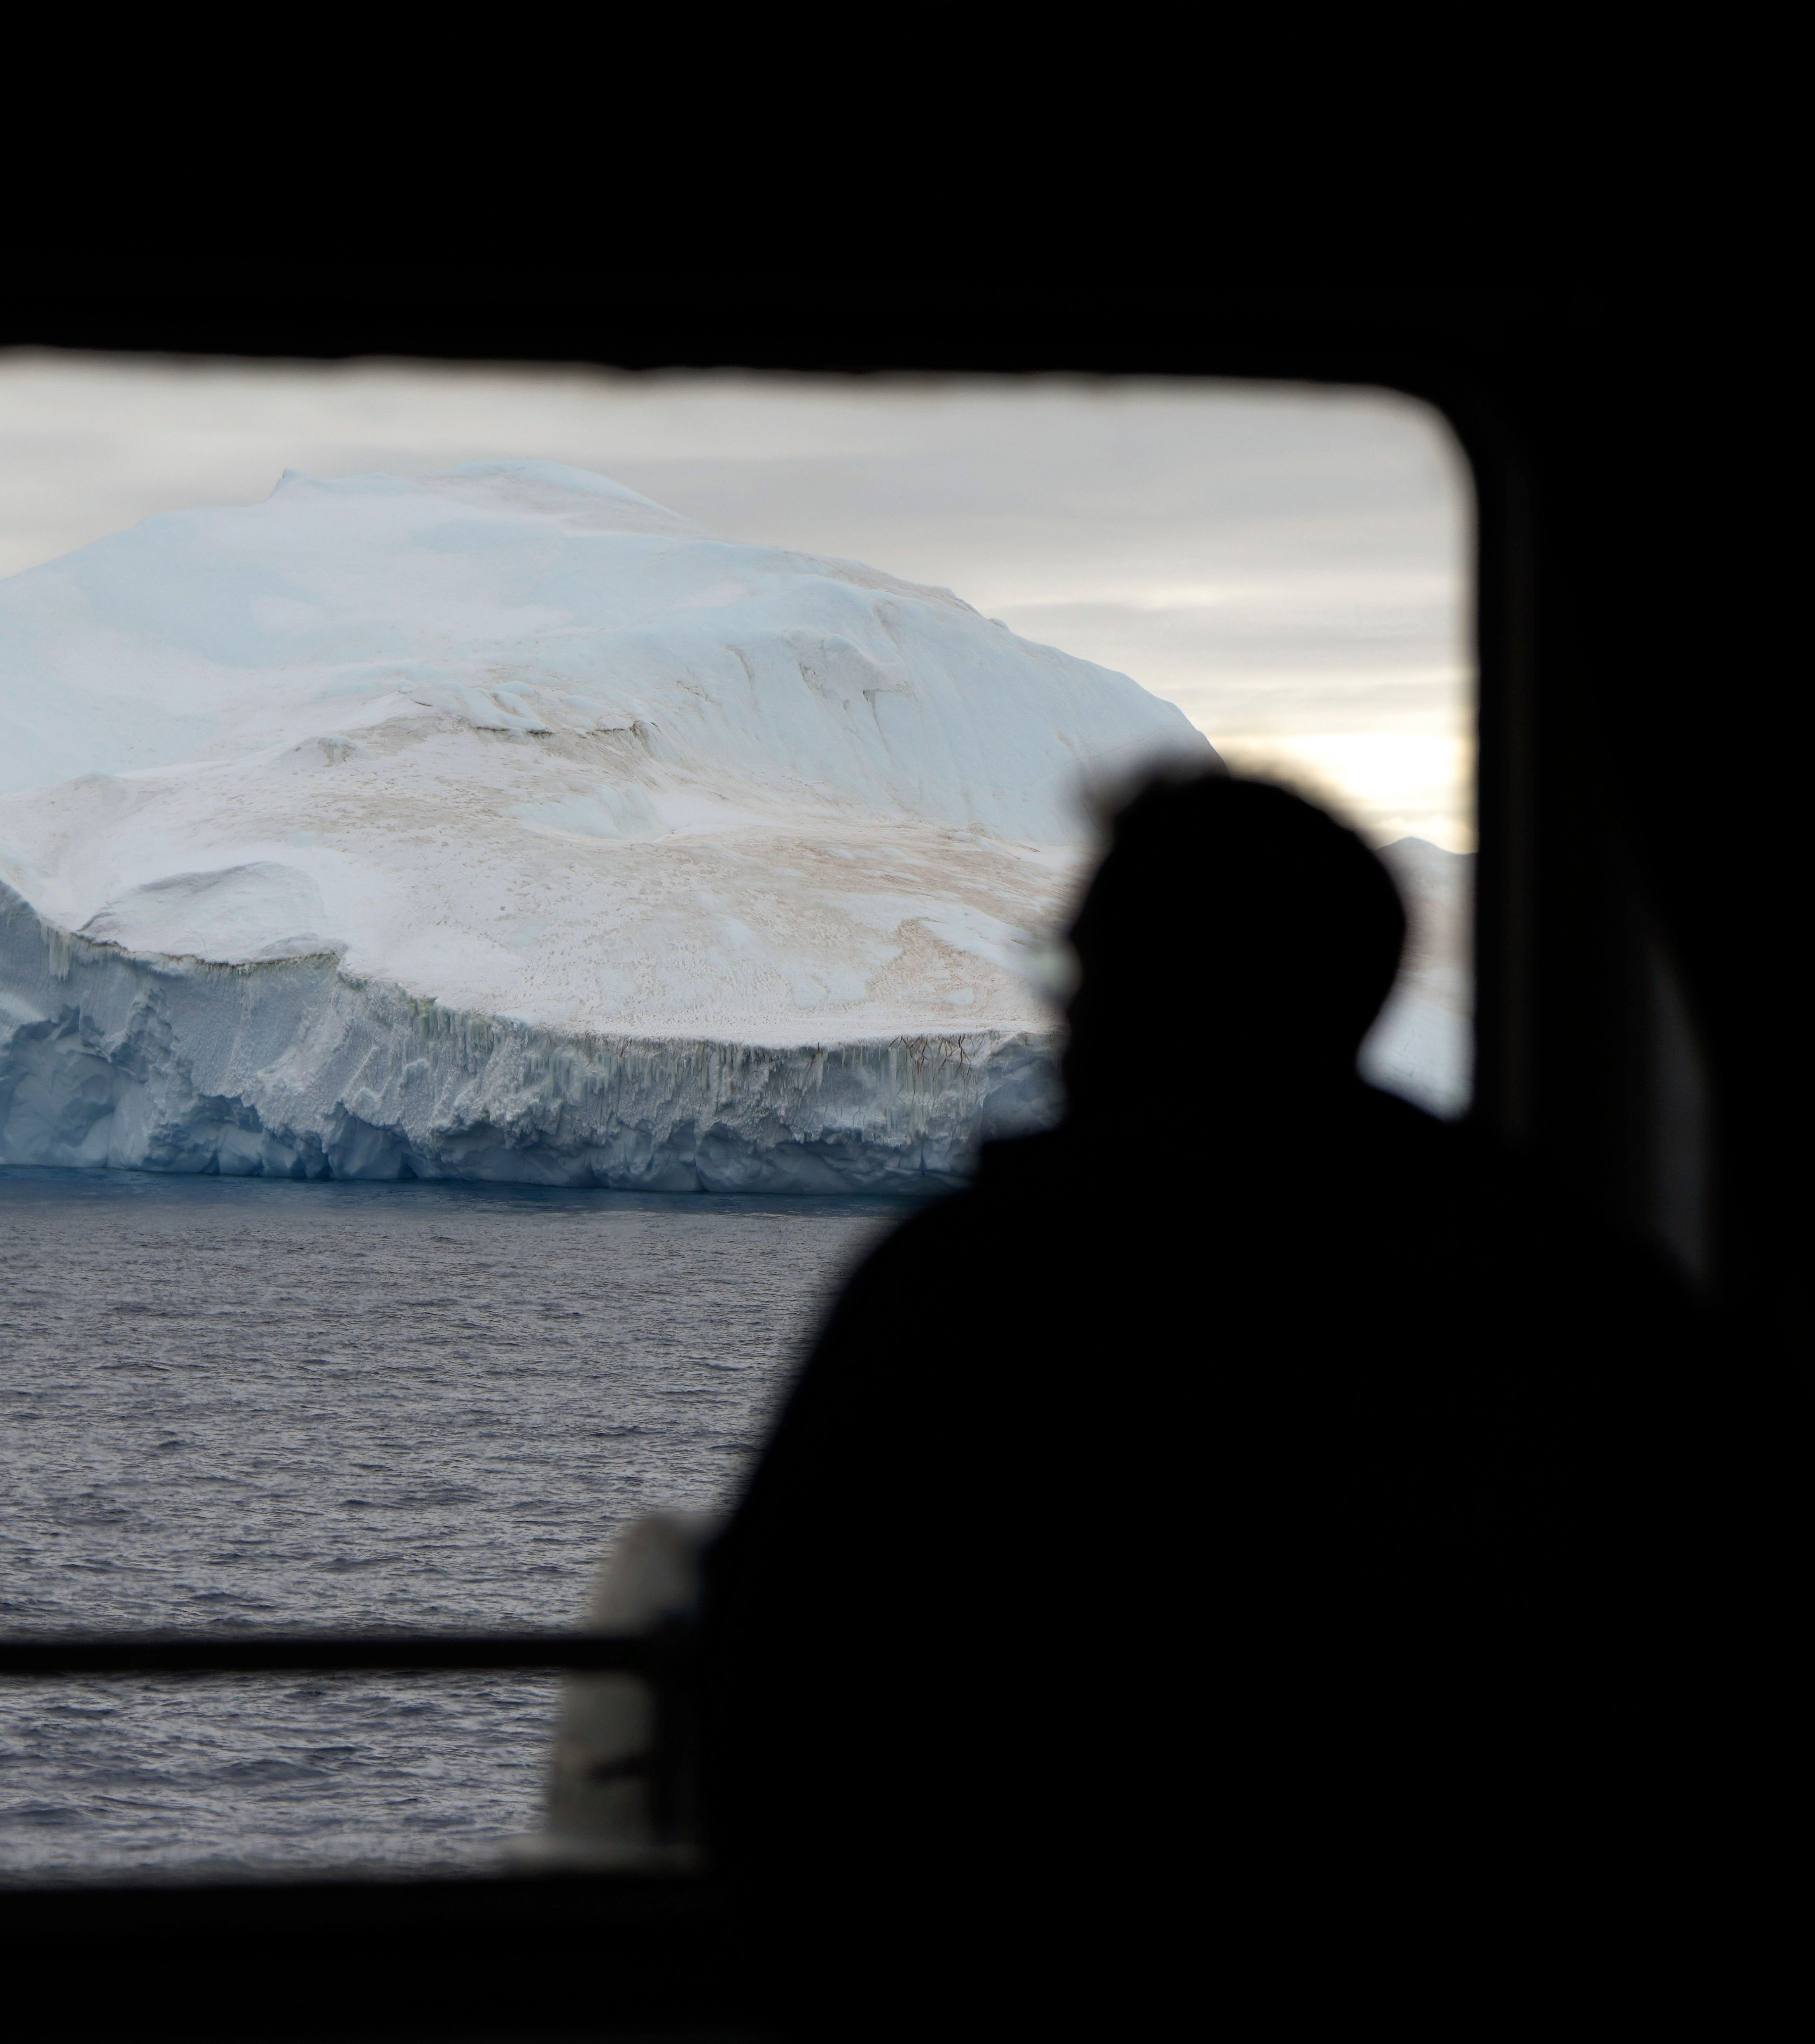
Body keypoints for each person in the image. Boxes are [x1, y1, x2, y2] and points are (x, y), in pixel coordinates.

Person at [698, 772, 1699, 1986]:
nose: (1063, 1018)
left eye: (1081, 973)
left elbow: (786, 1687)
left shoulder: (982, 1291)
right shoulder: (1564, 1286)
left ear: (1149, 991)